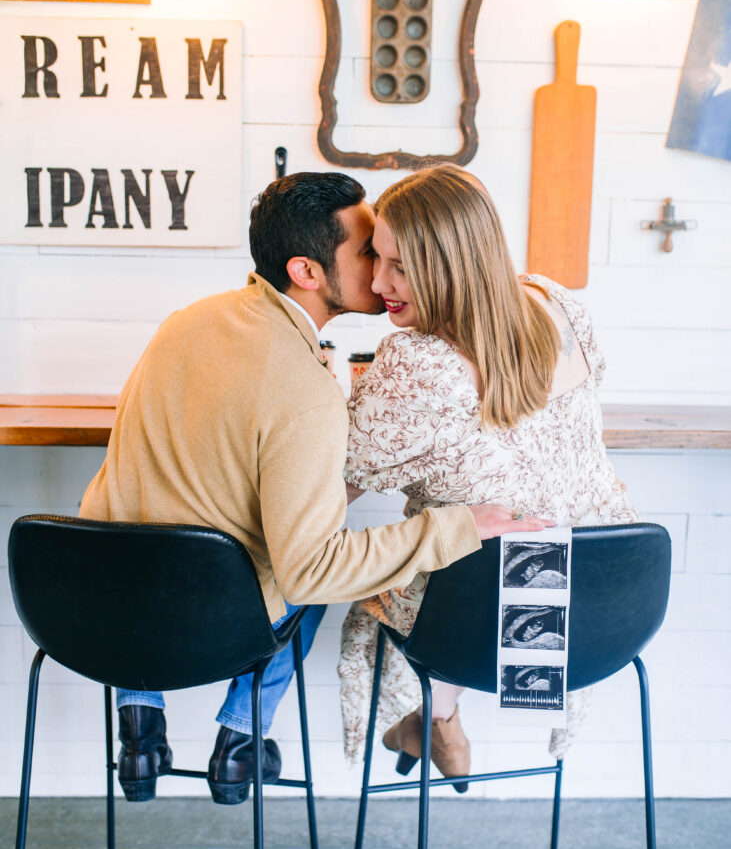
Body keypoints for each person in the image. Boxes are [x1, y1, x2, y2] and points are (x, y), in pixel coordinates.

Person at [79, 170, 548, 806]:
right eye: (367, 254)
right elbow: (311, 570)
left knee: (144, 524)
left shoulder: (187, 321)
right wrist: (456, 525)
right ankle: (241, 736)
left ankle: (138, 724)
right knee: (320, 578)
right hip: (209, 621)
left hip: (100, 604)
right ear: (307, 271)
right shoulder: (305, 388)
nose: (381, 276)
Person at [339, 164, 638, 787]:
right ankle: (437, 717)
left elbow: (330, 481)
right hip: (603, 605)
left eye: (400, 266)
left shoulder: (421, 361)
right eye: (375, 258)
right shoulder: (556, 304)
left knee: (411, 562)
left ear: (451, 266)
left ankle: (438, 714)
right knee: (497, 531)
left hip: (487, 620)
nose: (377, 281)